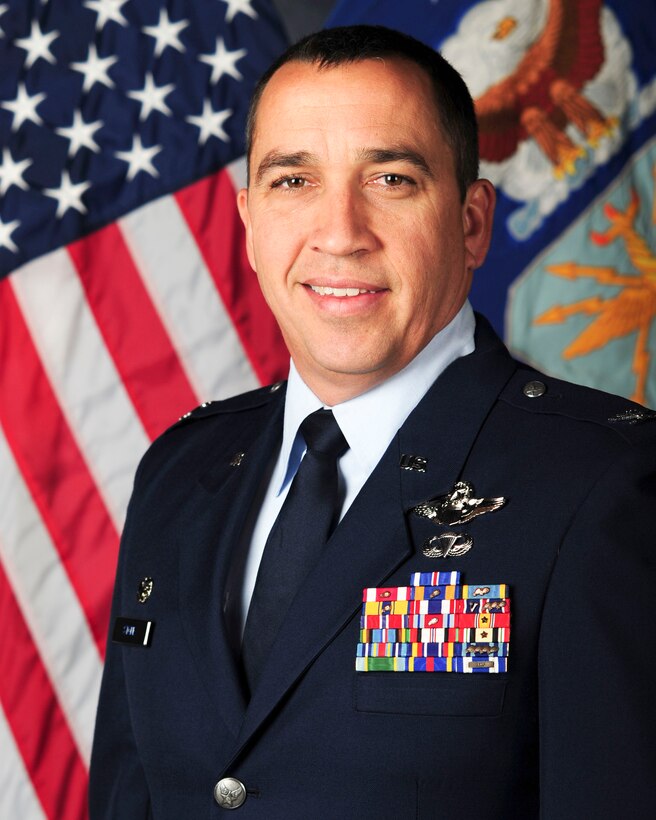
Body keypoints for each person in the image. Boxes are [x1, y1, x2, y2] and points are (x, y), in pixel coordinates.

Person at [89, 25, 656, 819]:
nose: (340, 233)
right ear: (249, 224)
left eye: (390, 177)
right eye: (294, 181)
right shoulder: (180, 474)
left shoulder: (601, 484)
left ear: (470, 222)